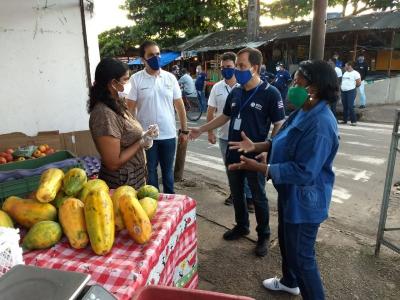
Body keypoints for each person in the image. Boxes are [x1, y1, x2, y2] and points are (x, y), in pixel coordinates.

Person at [228, 60, 339, 299]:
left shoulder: (321, 124)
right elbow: (283, 139)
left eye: (298, 81)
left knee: (303, 259)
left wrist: (261, 167)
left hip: (305, 200)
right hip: (289, 194)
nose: (292, 85)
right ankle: (289, 281)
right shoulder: (304, 110)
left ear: (315, 87)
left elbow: (305, 172)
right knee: (289, 247)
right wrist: (257, 145)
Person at [190, 47, 285, 257]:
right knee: (237, 193)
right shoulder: (237, 91)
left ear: (255, 67)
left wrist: (269, 149)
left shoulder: (270, 93)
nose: (237, 71)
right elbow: (224, 117)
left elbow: (279, 124)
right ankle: (242, 226)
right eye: (238, 66)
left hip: (255, 156)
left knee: (258, 196)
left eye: (242, 66)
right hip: (233, 151)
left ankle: (264, 235)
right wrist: (202, 129)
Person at [126, 40, 188, 194]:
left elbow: (179, 106)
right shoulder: (136, 79)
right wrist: (133, 134)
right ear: (143, 59)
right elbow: (130, 109)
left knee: (168, 172)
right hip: (147, 137)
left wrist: (184, 130)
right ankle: (154, 204)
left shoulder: (170, 78)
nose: (156, 57)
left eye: (158, 54)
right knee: (151, 172)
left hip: (168, 134)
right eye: (151, 55)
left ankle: (170, 203)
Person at [88, 58, 158, 189]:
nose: (129, 83)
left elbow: (124, 133)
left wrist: (145, 135)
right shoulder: (104, 114)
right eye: (126, 79)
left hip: (134, 176)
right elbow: (113, 163)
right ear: (113, 83)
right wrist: (140, 142)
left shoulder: (117, 102)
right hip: (122, 181)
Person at [206, 52, 255, 212]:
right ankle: (235, 194)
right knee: (230, 167)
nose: (226, 70)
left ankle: (248, 197)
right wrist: (209, 132)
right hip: (224, 136)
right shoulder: (217, 88)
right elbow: (211, 111)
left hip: (243, 138)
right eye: (223, 68)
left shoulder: (245, 87)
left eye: (229, 67)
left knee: (245, 167)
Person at [341, 61, 361, 126]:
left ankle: (354, 121)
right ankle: (345, 120)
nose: (344, 66)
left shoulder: (356, 73)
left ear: (350, 66)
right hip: (344, 91)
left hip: (351, 91)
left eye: (346, 65)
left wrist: (353, 87)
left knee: (350, 106)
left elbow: (358, 83)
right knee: (345, 106)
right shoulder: (345, 73)